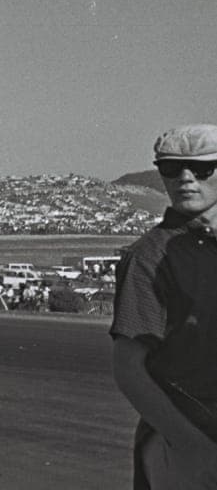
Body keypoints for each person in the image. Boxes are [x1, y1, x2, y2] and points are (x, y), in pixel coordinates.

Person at [112, 125, 217, 487]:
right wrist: (194, 449)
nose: (186, 178)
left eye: (202, 168)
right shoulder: (148, 258)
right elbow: (129, 368)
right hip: (186, 441)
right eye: (172, 168)